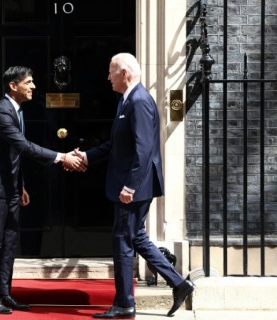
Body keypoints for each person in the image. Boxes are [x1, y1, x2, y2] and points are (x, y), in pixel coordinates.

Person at [70, 53, 194, 319]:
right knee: (135, 236)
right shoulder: (127, 101)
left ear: (124, 73)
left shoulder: (138, 102)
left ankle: (125, 303)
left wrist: (130, 187)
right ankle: (179, 284)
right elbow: (118, 146)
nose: (108, 77)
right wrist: (88, 156)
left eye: (111, 72)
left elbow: (144, 150)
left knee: (123, 241)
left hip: (133, 187)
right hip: (132, 184)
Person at [0, 66, 85, 314]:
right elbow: (23, 146)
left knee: (11, 241)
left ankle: (4, 292)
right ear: (14, 86)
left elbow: (13, 154)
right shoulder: (0, 113)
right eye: (29, 82)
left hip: (11, 185)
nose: (33, 86)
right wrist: (61, 157)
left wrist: (20, 184)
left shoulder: (17, 110)